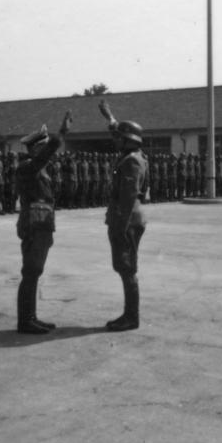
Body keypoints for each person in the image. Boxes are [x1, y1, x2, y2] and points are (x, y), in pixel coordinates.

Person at [14, 111, 73, 334]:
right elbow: (46, 155)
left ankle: (31, 317)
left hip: (42, 225)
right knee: (31, 271)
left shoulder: (39, 168)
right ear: (37, 149)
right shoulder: (27, 167)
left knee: (34, 272)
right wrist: (62, 132)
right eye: (44, 148)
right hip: (33, 226)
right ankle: (25, 321)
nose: (48, 152)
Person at [98, 100, 148, 332]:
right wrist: (110, 117)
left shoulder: (130, 162)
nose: (115, 140)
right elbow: (120, 129)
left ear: (128, 141)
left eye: (119, 138)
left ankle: (131, 317)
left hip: (126, 219)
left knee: (127, 268)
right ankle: (130, 315)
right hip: (129, 217)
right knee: (125, 267)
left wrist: (119, 226)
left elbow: (127, 198)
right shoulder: (134, 156)